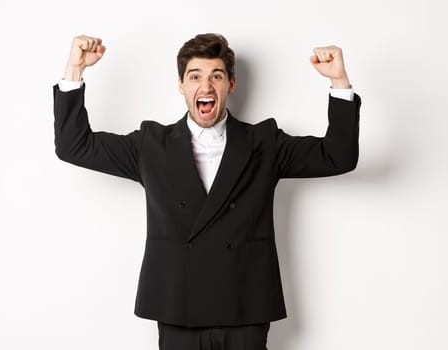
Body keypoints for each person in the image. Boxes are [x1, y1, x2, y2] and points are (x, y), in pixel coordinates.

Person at [52, 33, 360, 350]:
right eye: (195, 76)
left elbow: (337, 156)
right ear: (181, 85)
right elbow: (75, 146)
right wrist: (75, 70)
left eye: (216, 76)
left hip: (244, 307)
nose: (206, 86)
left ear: (231, 84)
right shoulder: (151, 145)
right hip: (178, 309)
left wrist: (339, 81)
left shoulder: (264, 143)